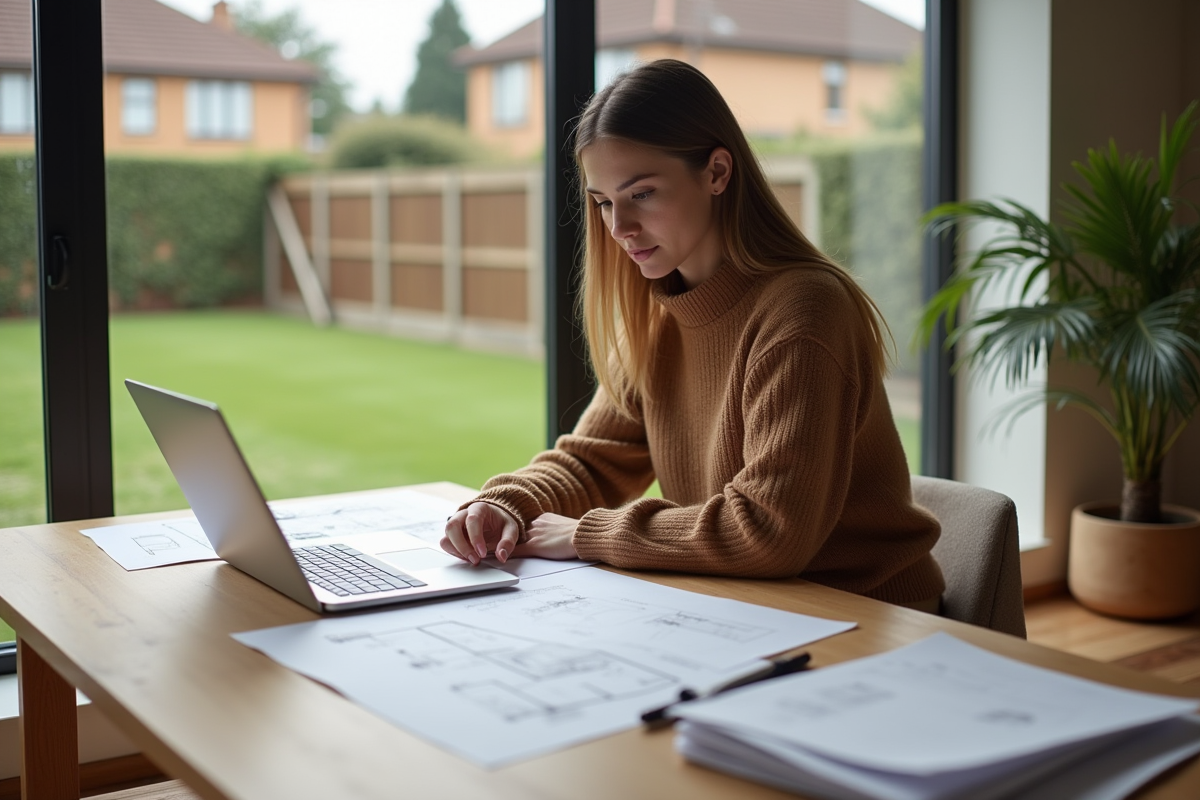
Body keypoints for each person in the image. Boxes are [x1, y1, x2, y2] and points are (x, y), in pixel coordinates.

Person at [441, 59, 944, 610]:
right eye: (605, 202)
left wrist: (587, 534)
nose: (619, 228)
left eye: (644, 194)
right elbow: (594, 460)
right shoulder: (661, 314)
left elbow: (768, 532)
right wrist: (509, 503)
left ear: (717, 172)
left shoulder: (803, 311)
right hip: (746, 610)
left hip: (863, 616)